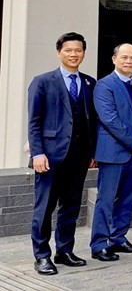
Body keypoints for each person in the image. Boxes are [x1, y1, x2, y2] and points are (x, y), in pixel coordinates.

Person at [28, 32, 97, 275]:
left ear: (84, 53)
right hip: (50, 157)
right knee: (44, 208)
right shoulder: (43, 81)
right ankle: (42, 255)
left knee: (71, 206)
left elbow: (91, 121)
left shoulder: (89, 83)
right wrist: (37, 153)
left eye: (78, 50)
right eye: (68, 50)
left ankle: (64, 250)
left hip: (78, 157)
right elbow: (34, 122)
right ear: (59, 52)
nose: (74, 54)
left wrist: (91, 152)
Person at [90, 43, 132, 261]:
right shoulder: (104, 85)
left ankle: (119, 238)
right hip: (113, 153)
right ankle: (99, 244)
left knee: (127, 198)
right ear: (114, 59)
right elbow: (109, 119)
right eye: (124, 57)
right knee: (106, 199)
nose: (129, 61)